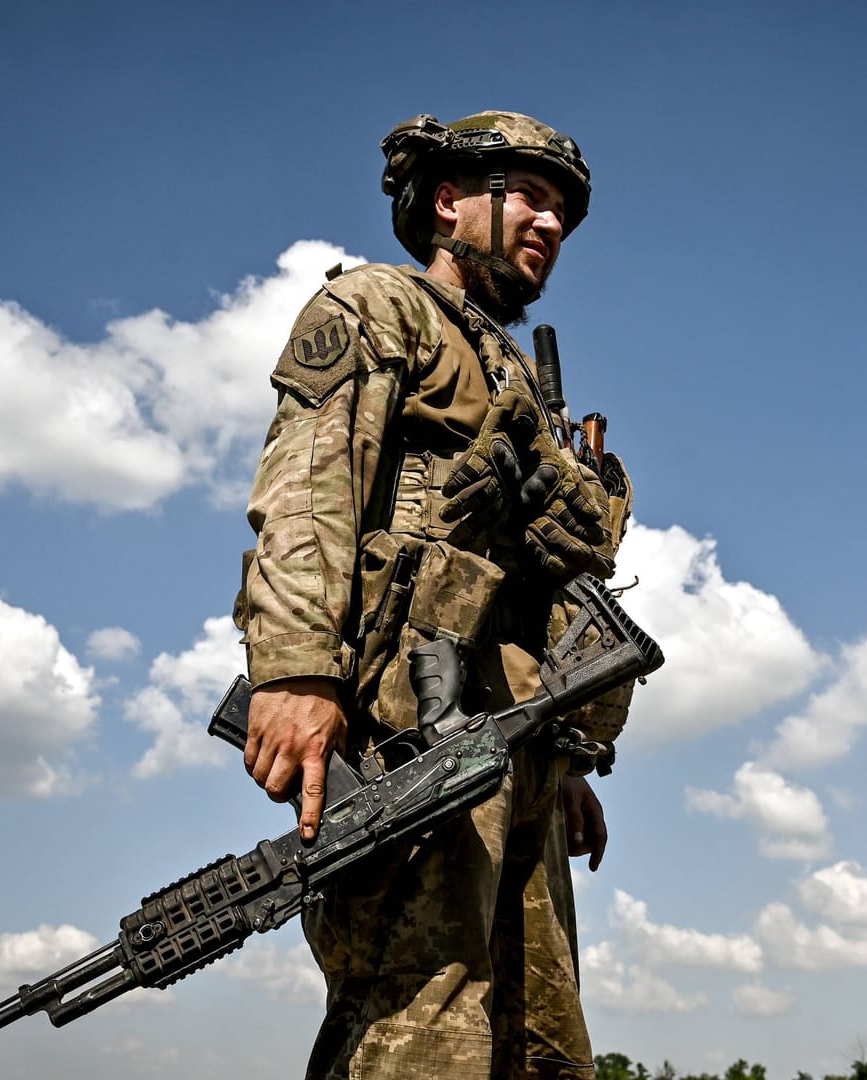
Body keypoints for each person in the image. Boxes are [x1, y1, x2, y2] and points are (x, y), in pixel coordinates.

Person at [233, 111, 634, 1080]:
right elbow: (308, 485)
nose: (551, 225)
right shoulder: (378, 308)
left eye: (564, 215)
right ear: (452, 202)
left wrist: (571, 760)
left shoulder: (521, 382)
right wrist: (295, 671)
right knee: (423, 1032)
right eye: (530, 198)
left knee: (542, 1048)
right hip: (416, 739)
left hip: (521, 754)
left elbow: (541, 590)